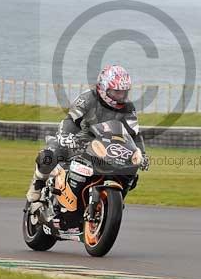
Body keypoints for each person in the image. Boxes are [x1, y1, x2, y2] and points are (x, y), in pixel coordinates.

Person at [26, 64, 149, 202]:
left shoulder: (128, 107)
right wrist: (66, 138)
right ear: (103, 88)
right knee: (49, 155)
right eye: (116, 92)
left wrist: (142, 154)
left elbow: (135, 134)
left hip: (107, 147)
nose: (121, 96)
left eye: (124, 92)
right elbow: (70, 120)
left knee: (130, 171)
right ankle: (37, 184)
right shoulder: (88, 98)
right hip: (80, 143)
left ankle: (113, 202)